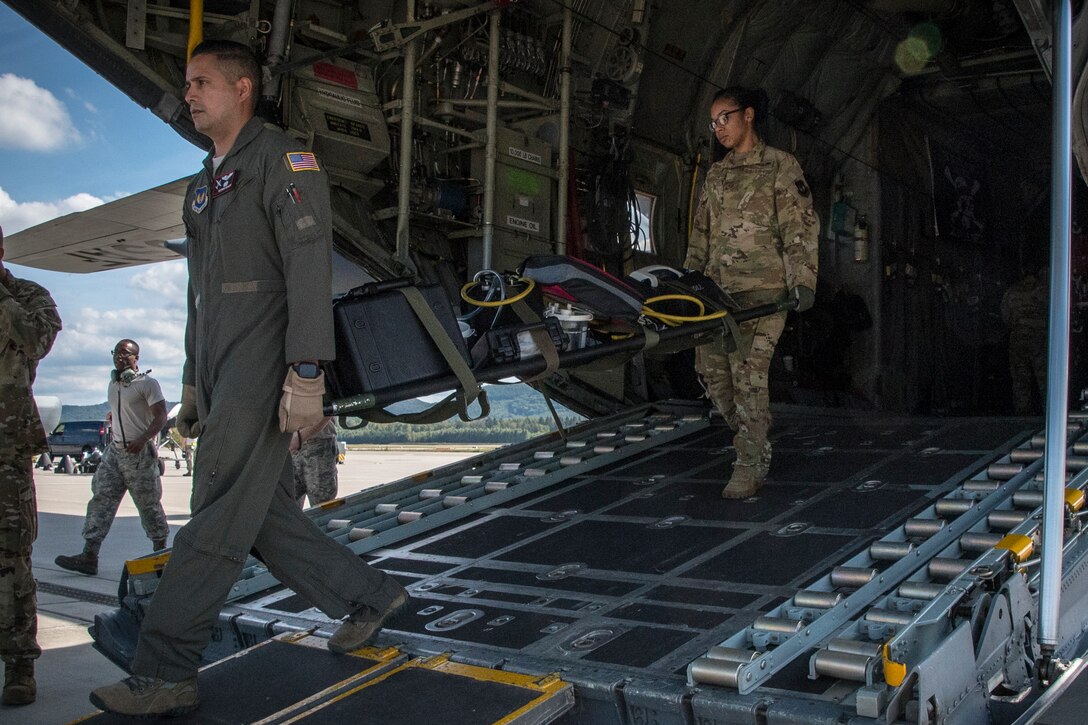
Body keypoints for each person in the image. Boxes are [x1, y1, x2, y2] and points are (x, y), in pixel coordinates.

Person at [90, 40, 408, 717]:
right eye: (187, 83)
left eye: (202, 82)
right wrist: (192, 383)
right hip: (220, 366)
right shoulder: (203, 186)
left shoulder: (283, 161)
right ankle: (369, 597)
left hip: (264, 362)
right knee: (258, 515)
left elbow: (308, 266)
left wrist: (306, 372)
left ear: (242, 89)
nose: (189, 94)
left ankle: (165, 669)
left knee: (212, 512)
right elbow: (198, 295)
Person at [685, 87, 819, 499]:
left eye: (724, 118)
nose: (719, 128)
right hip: (718, 294)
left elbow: (799, 227)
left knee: (747, 375)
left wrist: (804, 281)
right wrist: (687, 283)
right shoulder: (716, 175)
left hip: (765, 294)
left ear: (748, 115)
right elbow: (701, 233)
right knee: (713, 375)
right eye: (713, 122)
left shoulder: (780, 165)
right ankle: (754, 427)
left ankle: (750, 463)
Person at [0, 224, 62, 706]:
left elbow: (38, 340)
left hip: (6, 449)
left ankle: (20, 662)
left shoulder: (26, 295)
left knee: (11, 558)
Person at [55, 339, 170, 576]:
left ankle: (161, 555)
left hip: (138, 454)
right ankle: (89, 555)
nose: (119, 357)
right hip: (115, 453)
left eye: (125, 354)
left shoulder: (147, 384)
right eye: (116, 353)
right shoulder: (114, 384)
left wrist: (143, 439)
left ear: (136, 358)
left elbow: (161, 416)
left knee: (148, 505)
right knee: (101, 499)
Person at [1001, 265, 1048, 415]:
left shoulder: (1012, 292)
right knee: (1045, 380)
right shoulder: (1045, 291)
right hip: (1040, 340)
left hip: (1019, 340)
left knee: (1020, 381)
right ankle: (1049, 413)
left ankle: (1022, 415)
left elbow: (1006, 317)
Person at [290, 417, 339, 507]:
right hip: (289, 445)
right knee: (286, 505)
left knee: (322, 505)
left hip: (318, 445)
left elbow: (328, 412)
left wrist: (300, 437)